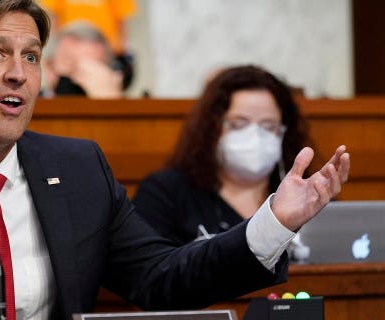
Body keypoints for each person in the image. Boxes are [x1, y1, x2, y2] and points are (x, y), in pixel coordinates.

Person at [0, 1, 350, 320]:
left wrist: (274, 221)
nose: (19, 74)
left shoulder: (77, 170)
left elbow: (161, 278)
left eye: (31, 56)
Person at [133, 65, 314, 246]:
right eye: (238, 124)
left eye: (268, 126)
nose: (255, 137)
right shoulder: (165, 194)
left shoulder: (307, 193)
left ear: (283, 133)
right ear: (212, 129)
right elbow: (152, 268)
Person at [41, 22, 124, 98]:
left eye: (93, 69)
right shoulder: (32, 107)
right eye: (71, 65)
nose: (80, 79)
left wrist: (110, 104)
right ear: (49, 68)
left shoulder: (129, 109)